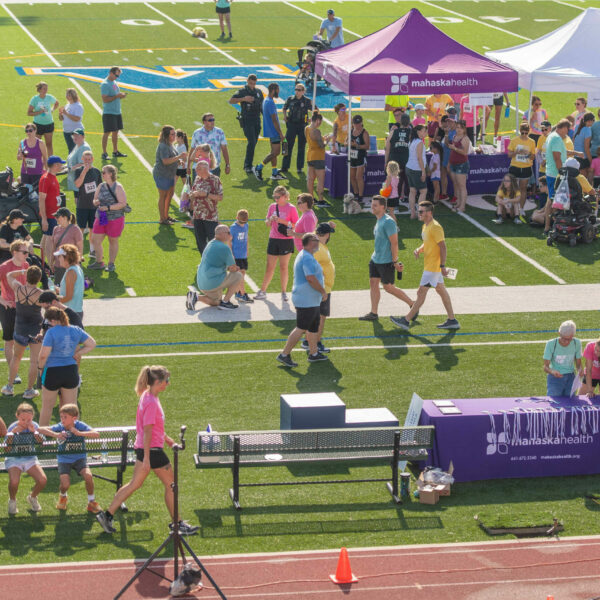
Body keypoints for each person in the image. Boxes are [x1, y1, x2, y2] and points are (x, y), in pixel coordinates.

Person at [95, 365, 199, 536]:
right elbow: (148, 430)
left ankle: (107, 515)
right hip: (152, 450)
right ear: (157, 382)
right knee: (171, 485)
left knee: (134, 484)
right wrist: (148, 459)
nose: (168, 383)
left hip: (145, 448)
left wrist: (167, 439)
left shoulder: (148, 395)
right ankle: (178, 524)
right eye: (166, 380)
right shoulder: (151, 402)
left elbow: (154, 427)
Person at [390, 201, 460, 331]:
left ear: (429, 212)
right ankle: (452, 320)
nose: (419, 213)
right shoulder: (425, 226)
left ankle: (406, 320)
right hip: (431, 266)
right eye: (419, 211)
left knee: (421, 292)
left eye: (421, 211)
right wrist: (419, 249)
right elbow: (428, 242)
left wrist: (442, 266)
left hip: (433, 267)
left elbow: (443, 247)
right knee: (441, 290)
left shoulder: (435, 227)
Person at [358, 195, 415, 322]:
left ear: (383, 207)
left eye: (375, 205)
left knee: (388, 287)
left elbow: (394, 243)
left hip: (386, 261)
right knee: (373, 283)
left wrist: (395, 261)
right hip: (375, 259)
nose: (372, 207)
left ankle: (413, 305)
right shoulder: (379, 219)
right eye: (372, 204)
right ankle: (373, 313)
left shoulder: (388, 222)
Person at [38, 403, 102, 513]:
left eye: (65, 417)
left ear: (74, 418)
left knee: (88, 476)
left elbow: (96, 434)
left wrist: (79, 433)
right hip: (64, 459)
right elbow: (40, 429)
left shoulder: (80, 425)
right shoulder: (60, 427)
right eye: (61, 417)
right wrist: (56, 434)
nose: (62, 420)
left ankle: (91, 502)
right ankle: (63, 497)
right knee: (65, 484)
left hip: (79, 458)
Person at [38, 307, 96, 426]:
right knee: (71, 407)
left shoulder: (51, 332)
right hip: (71, 370)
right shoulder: (76, 329)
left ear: (53, 320)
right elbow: (92, 344)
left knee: (47, 407)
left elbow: (43, 355)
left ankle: (42, 434)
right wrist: (78, 353)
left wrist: (40, 368)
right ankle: (73, 432)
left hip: (52, 371)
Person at [276, 233, 328, 367]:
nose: (318, 242)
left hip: (311, 299)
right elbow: (310, 278)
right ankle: (284, 354)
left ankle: (314, 353)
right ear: (310, 242)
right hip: (306, 299)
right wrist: (322, 291)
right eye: (316, 240)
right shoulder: (307, 257)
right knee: (301, 327)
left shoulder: (307, 255)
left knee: (313, 327)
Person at [2, 265, 43, 399]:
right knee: (34, 362)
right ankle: (29, 390)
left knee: (16, 358)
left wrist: (22, 271)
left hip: (20, 330)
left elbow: (9, 275)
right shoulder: (40, 294)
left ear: (26, 277)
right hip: (36, 331)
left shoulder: (18, 288)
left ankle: (9, 387)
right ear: (39, 279)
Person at [254, 186, 298, 302]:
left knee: (283, 267)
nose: (276, 199)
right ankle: (263, 291)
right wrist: (270, 220)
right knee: (269, 266)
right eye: (274, 197)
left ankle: (283, 292)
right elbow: (267, 223)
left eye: (278, 197)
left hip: (286, 240)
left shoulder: (292, 208)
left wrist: (281, 221)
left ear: (284, 196)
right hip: (273, 238)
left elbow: (295, 225)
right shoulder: (272, 206)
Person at [187, 224, 243, 311]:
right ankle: (225, 302)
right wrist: (237, 268)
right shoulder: (224, 248)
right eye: (228, 232)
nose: (230, 234)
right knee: (238, 275)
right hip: (213, 281)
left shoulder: (210, 243)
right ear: (221, 234)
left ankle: (196, 297)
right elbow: (233, 268)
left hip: (202, 283)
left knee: (216, 302)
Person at [5, 403, 47, 515]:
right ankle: (12, 500)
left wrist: (34, 432)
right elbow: (7, 449)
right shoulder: (12, 427)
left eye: (29, 419)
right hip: (14, 459)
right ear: (17, 416)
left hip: (30, 458)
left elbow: (42, 443)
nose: (26, 422)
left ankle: (32, 497)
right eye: (23, 419)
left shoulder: (34, 426)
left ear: (32, 417)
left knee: (42, 480)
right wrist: (12, 433)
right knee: (14, 481)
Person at [301, 221, 336, 355]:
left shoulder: (317, 244)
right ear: (327, 235)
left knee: (315, 317)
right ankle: (315, 343)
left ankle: (308, 341)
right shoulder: (319, 249)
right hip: (321, 289)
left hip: (321, 287)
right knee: (320, 318)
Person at [0, 241, 30, 386]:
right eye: (24, 252)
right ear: (15, 252)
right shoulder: (4, 267)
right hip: (8, 308)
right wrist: (2, 300)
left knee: (27, 340)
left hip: (23, 307)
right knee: (10, 341)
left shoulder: (26, 265)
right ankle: (14, 372)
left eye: (27, 252)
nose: (27, 255)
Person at [89, 164, 128, 272]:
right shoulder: (101, 186)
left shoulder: (118, 187)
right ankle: (99, 262)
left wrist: (108, 208)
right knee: (95, 240)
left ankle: (111, 264)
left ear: (110, 174)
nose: (102, 174)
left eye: (104, 172)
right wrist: (96, 202)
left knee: (112, 240)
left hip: (115, 218)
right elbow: (94, 199)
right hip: (101, 216)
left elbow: (123, 203)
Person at [229, 74, 264, 174]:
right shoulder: (242, 91)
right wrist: (243, 99)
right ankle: (247, 165)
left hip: (257, 119)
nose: (252, 85)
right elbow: (231, 101)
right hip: (247, 119)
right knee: (251, 142)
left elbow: (261, 105)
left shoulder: (258, 92)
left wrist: (266, 117)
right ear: (247, 81)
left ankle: (248, 163)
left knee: (254, 142)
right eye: (250, 83)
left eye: (254, 83)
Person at [188, 159, 223, 255]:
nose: (196, 170)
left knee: (213, 241)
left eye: (198, 169)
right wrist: (192, 195)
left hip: (210, 216)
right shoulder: (197, 179)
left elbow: (220, 197)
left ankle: (215, 260)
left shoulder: (215, 180)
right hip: (197, 216)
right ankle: (204, 260)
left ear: (205, 169)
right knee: (200, 242)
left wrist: (206, 194)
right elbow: (192, 192)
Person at [153, 125, 186, 225]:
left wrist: (178, 161)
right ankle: (162, 219)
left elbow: (172, 157)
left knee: (170, 195)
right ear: (167, 135)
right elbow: (165, 161)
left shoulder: (170, 144)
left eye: (174, 133)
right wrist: (179, 157)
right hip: (162, 174)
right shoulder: (163, 146)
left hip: (170, 174)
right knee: (163, 196)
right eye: (172, 134)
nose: (175, 135)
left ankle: (166, 216)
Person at [253, 83, 286, 181]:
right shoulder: (270, 102)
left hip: (270, 130)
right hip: (274, 131)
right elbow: (274, 120)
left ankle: (274, 173)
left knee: (273, 152)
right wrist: (280, 133)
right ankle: (259, 167)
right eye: (278, 90)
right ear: (274, 90)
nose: (279, 92)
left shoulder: (266, 100)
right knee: (276, 152)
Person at [74, 151, 102, 259]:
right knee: (80, 229)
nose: (87, 161)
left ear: (92, 159)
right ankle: (78, 253)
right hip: (82, 205)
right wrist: (84, 172)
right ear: (82, 159)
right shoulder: (78, 171)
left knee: (92, 229)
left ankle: (92, 250)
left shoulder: (96, 171)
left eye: (89, 159)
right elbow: (77, 184)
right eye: (85, 159)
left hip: (94, 206)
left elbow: (99, 187)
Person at [543, 320, 582, 397]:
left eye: (569, 339)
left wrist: (580, 370)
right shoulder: (551, 344)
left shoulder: (577, 343)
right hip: (554, 379)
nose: (566, 342)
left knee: (570, 402)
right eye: (563, 338)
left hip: (571, 378)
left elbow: (578, 363)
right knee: (554, 401)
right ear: (559, 333)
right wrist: (552, 372)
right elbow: (545, 367)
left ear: (573, 336)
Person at [39, 155, 66, 266]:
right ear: (55, 165)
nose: (61, 166)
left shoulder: (53, 176)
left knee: (46, 238)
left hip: (53, 214)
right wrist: (44, 219)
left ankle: (41, 262)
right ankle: (50, 267)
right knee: (50, 240)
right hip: (49, 215)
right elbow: (41, 199)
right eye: (60, 164)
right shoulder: (46, 179)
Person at [507, 122, 536, 223]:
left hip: (526, 168)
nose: (524, 135)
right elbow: (509, 154)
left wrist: (528, 154)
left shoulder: (532, 142)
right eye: (522, 133)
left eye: (526, 133)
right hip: (515, 167)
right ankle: (511, 207)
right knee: (513, 188)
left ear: (528, 132)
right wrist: (516, 152)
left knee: (523, 189)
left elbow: (533, 157)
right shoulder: (514, 140)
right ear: (520, 131)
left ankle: (521, 208)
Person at [281, 83, 312, 174]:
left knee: (301, 147)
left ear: (303, 91)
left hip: (303, 125)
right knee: (287, 145)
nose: (297, 92)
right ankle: (284, 167)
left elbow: (315, 109)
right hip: (291, 125)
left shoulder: (307, 101)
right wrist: (285, 116)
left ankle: (299, 168)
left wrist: (311, 118)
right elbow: (284, 108)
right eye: (296, 89)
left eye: (299, 90)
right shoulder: (290, 99)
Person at [188, 113, 230, 177]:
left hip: (214, 167)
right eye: (210, 120)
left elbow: (224, 149)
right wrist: (188, 166)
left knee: (214, 184)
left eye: (213, 120)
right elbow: (192, 149)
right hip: (199, 167)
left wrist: (227, 165)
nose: (212, 122)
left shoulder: (220, 132)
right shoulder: (197, 133)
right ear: (204, 122)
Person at [100, 66, 127, 160]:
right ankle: (104, 153)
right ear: (111, 73)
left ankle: (115, 151)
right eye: (116, 75)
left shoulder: (114, 82)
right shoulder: (105, 84)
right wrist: (117, 96)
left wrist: (120, 96)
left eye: (118, 76)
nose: (117, 77)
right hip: (109, 112)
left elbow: (115, 95)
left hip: (117, 111)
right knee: (107, 132)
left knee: (116, 132)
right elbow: (105, 99)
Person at [305, 111, 331, 207]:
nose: (320, 124)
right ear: (317, 121)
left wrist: (322, 138)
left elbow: (313, 140)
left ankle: (311, 199)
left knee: (310, 179)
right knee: (320, 180)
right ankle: (320, 200)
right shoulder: (316, 131)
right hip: (318, 157)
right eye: (320, 122)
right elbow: (321, 146)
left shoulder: (307, 128)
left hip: (310, 155)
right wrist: (327, 141)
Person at [385, 111, 411, 202]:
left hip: (394, 160)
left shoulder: (393, 132)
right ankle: (409, 200)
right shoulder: (411, 133)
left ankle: (394, 201)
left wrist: (386, 162)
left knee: (394, 182)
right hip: (406, 161)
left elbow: (387, 148)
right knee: (407, 181)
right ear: (409, 122)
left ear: (401, 122)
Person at [27, 81, 59, 156]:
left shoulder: (49, 97)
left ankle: (50, 161)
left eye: (46, 88)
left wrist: (52, 109)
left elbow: (57, 103)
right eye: (44, 89)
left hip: (49, 123)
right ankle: (37, 160)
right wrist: (39, 112)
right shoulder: (34, 99)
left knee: (49, 144)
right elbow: (29, 113)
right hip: (38, 125)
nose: (46, 90)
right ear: (39, 89)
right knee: (37, 144)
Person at [55, 245, 84, 321]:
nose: (58, 258)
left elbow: (69, 297)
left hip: (70, 313)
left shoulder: (71, 272)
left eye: (59, 256)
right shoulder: (76, 269)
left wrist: (54, 302)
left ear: (66, 257)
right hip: (74, 312)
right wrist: (58, 290)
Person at [230, 209, 253, 304]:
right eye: (241, 222)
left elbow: (247, 238)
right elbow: (229, 242)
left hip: (243, 254)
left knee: (242, 273)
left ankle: (238, 293)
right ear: (236, 218)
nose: (243, 224)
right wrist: (231, 254)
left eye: (244, 222)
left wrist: (247, 250)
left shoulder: (246, 226)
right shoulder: (233, 228)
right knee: (240, 275)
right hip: (236, 255)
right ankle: (243, 294)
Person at [405, 124, 428, 219]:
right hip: (416, 169)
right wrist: (423, 171)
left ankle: (413, 214)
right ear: (418, 132)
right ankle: (420, 214)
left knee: (412, 191)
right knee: (423, 191)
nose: (426, 133)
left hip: (409, 167)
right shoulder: (419, 142)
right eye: (424, 131)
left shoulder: (412, 141)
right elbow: (419, 158)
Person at [448, 120, 470, 214]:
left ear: (464, 129)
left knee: (462, 186)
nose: (459, 129)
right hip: (453, 164)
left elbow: (465, 152)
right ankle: (459, 203)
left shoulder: (465, 139)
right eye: (457, 127)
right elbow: (453, 151)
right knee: (456, 184)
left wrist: (454, 148)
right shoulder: (455, 136)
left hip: (461, 164)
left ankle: (462, 206)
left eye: (461, 128)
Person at [66, 128, 91, 202]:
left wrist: (70, 168)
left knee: (80, 200)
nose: (75, 137)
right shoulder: (78, 145)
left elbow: (84, 164)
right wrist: (64, 167)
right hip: (77, 177)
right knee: (77, 198)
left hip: (82, 178)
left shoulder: (84, 147)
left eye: (77, 135)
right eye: (74, 135)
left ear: (83, 136)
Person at [349, 114, 369, 205]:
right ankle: (356, 193)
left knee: (358, 177)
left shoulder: (364, 133)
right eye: (355, 124)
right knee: (352, 177)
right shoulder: (351, 131)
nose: (357, 125)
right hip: (352, 156)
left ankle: (360, 196)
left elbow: (367, 146)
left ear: (361, 123)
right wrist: (347, 143)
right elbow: (346, 141)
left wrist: (357, 146)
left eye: (358, 124)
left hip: (360, 156)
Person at [58, 88, 84, 153]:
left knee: (75, 151)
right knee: (71, 150)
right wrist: (60, 114)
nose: (67, 96)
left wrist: (66, 113)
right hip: (67, 131)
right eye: (66, 95)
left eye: (69, 95)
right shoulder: (67, 105)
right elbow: (61, 119)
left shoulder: (78, 106)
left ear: (73, 96)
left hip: (75, 132)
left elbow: (77, 119)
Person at [573, 111, 595, 182]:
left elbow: (573, 141)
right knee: (584, 181)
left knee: (578, 180)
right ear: (590, 121)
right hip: (583, 157)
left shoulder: (577, 127)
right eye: (593, 121)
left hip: (576, 156)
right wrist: (591, 160)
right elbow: (586, 148)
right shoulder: (587, 130)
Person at [536, 120, 552, 189]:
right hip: (542, 169)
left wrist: (547, 162)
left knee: (550, 188)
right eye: (542, 130)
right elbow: (538, 152)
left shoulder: (553, 138)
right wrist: (541, 161)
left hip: (551, 169)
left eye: (546, 129)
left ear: (550, 128)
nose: (544, 131)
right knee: (542, 189)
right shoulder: (541, 138)